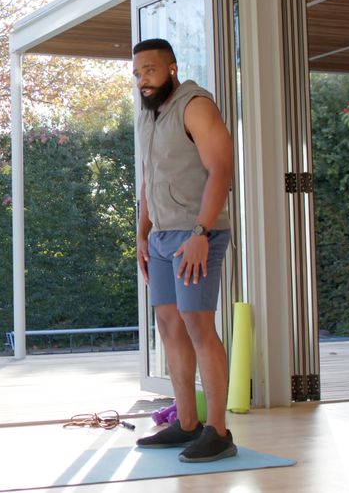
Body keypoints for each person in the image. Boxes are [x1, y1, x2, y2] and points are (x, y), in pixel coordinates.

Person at [131, 38, 237, 462]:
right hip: (160, 238)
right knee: (170, 326)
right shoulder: (148, 116)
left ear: (172, 68)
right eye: (138, 73)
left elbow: (221, 169)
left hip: (197, 235)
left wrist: (200, 233)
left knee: (198, 326)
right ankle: (187, 423)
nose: (143, 79)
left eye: (151, 70)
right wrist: (142, 233)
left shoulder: (195, 105)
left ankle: (219, 431)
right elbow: (149, 178)